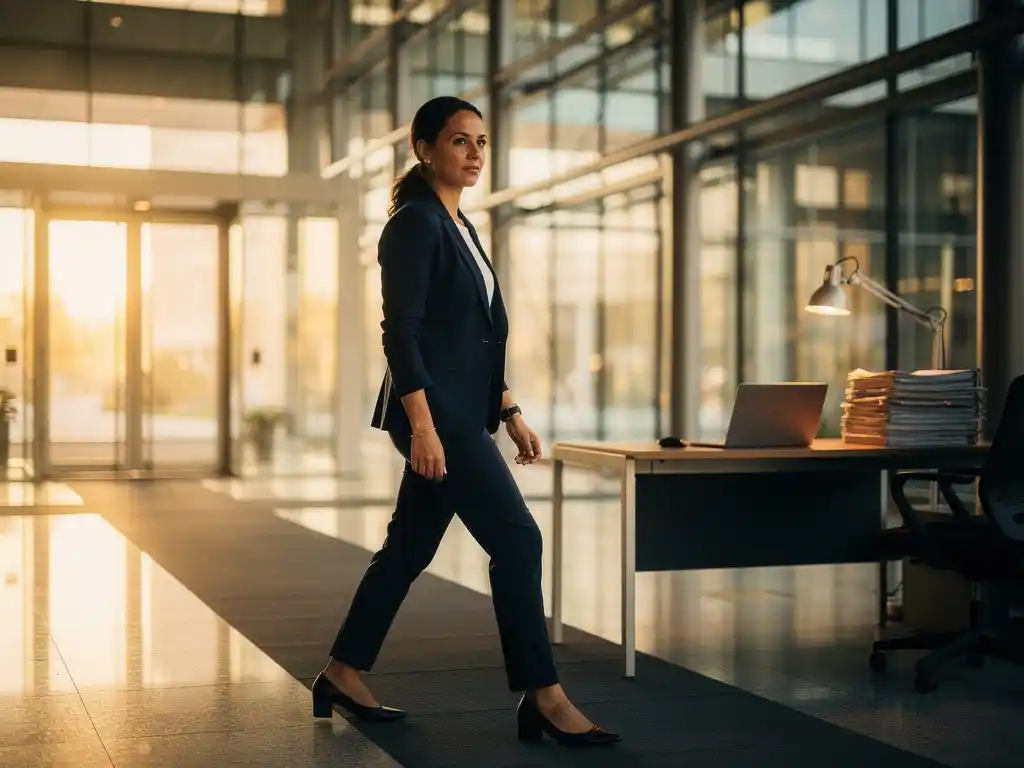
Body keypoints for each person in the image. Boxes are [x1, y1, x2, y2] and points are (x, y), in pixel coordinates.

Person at [311, 96, 620, 748]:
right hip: (436, 415)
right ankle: (545, 696)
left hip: (459, 410)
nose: (475, 153)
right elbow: (403, 335)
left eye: (481, 141)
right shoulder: (414, 224)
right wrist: (421, 427)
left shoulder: (460, 225)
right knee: (518, 542)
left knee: (409, 548)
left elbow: (474, 339)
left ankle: (341, 671)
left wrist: (509, 410)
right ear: (424, 148)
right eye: (460, 141)